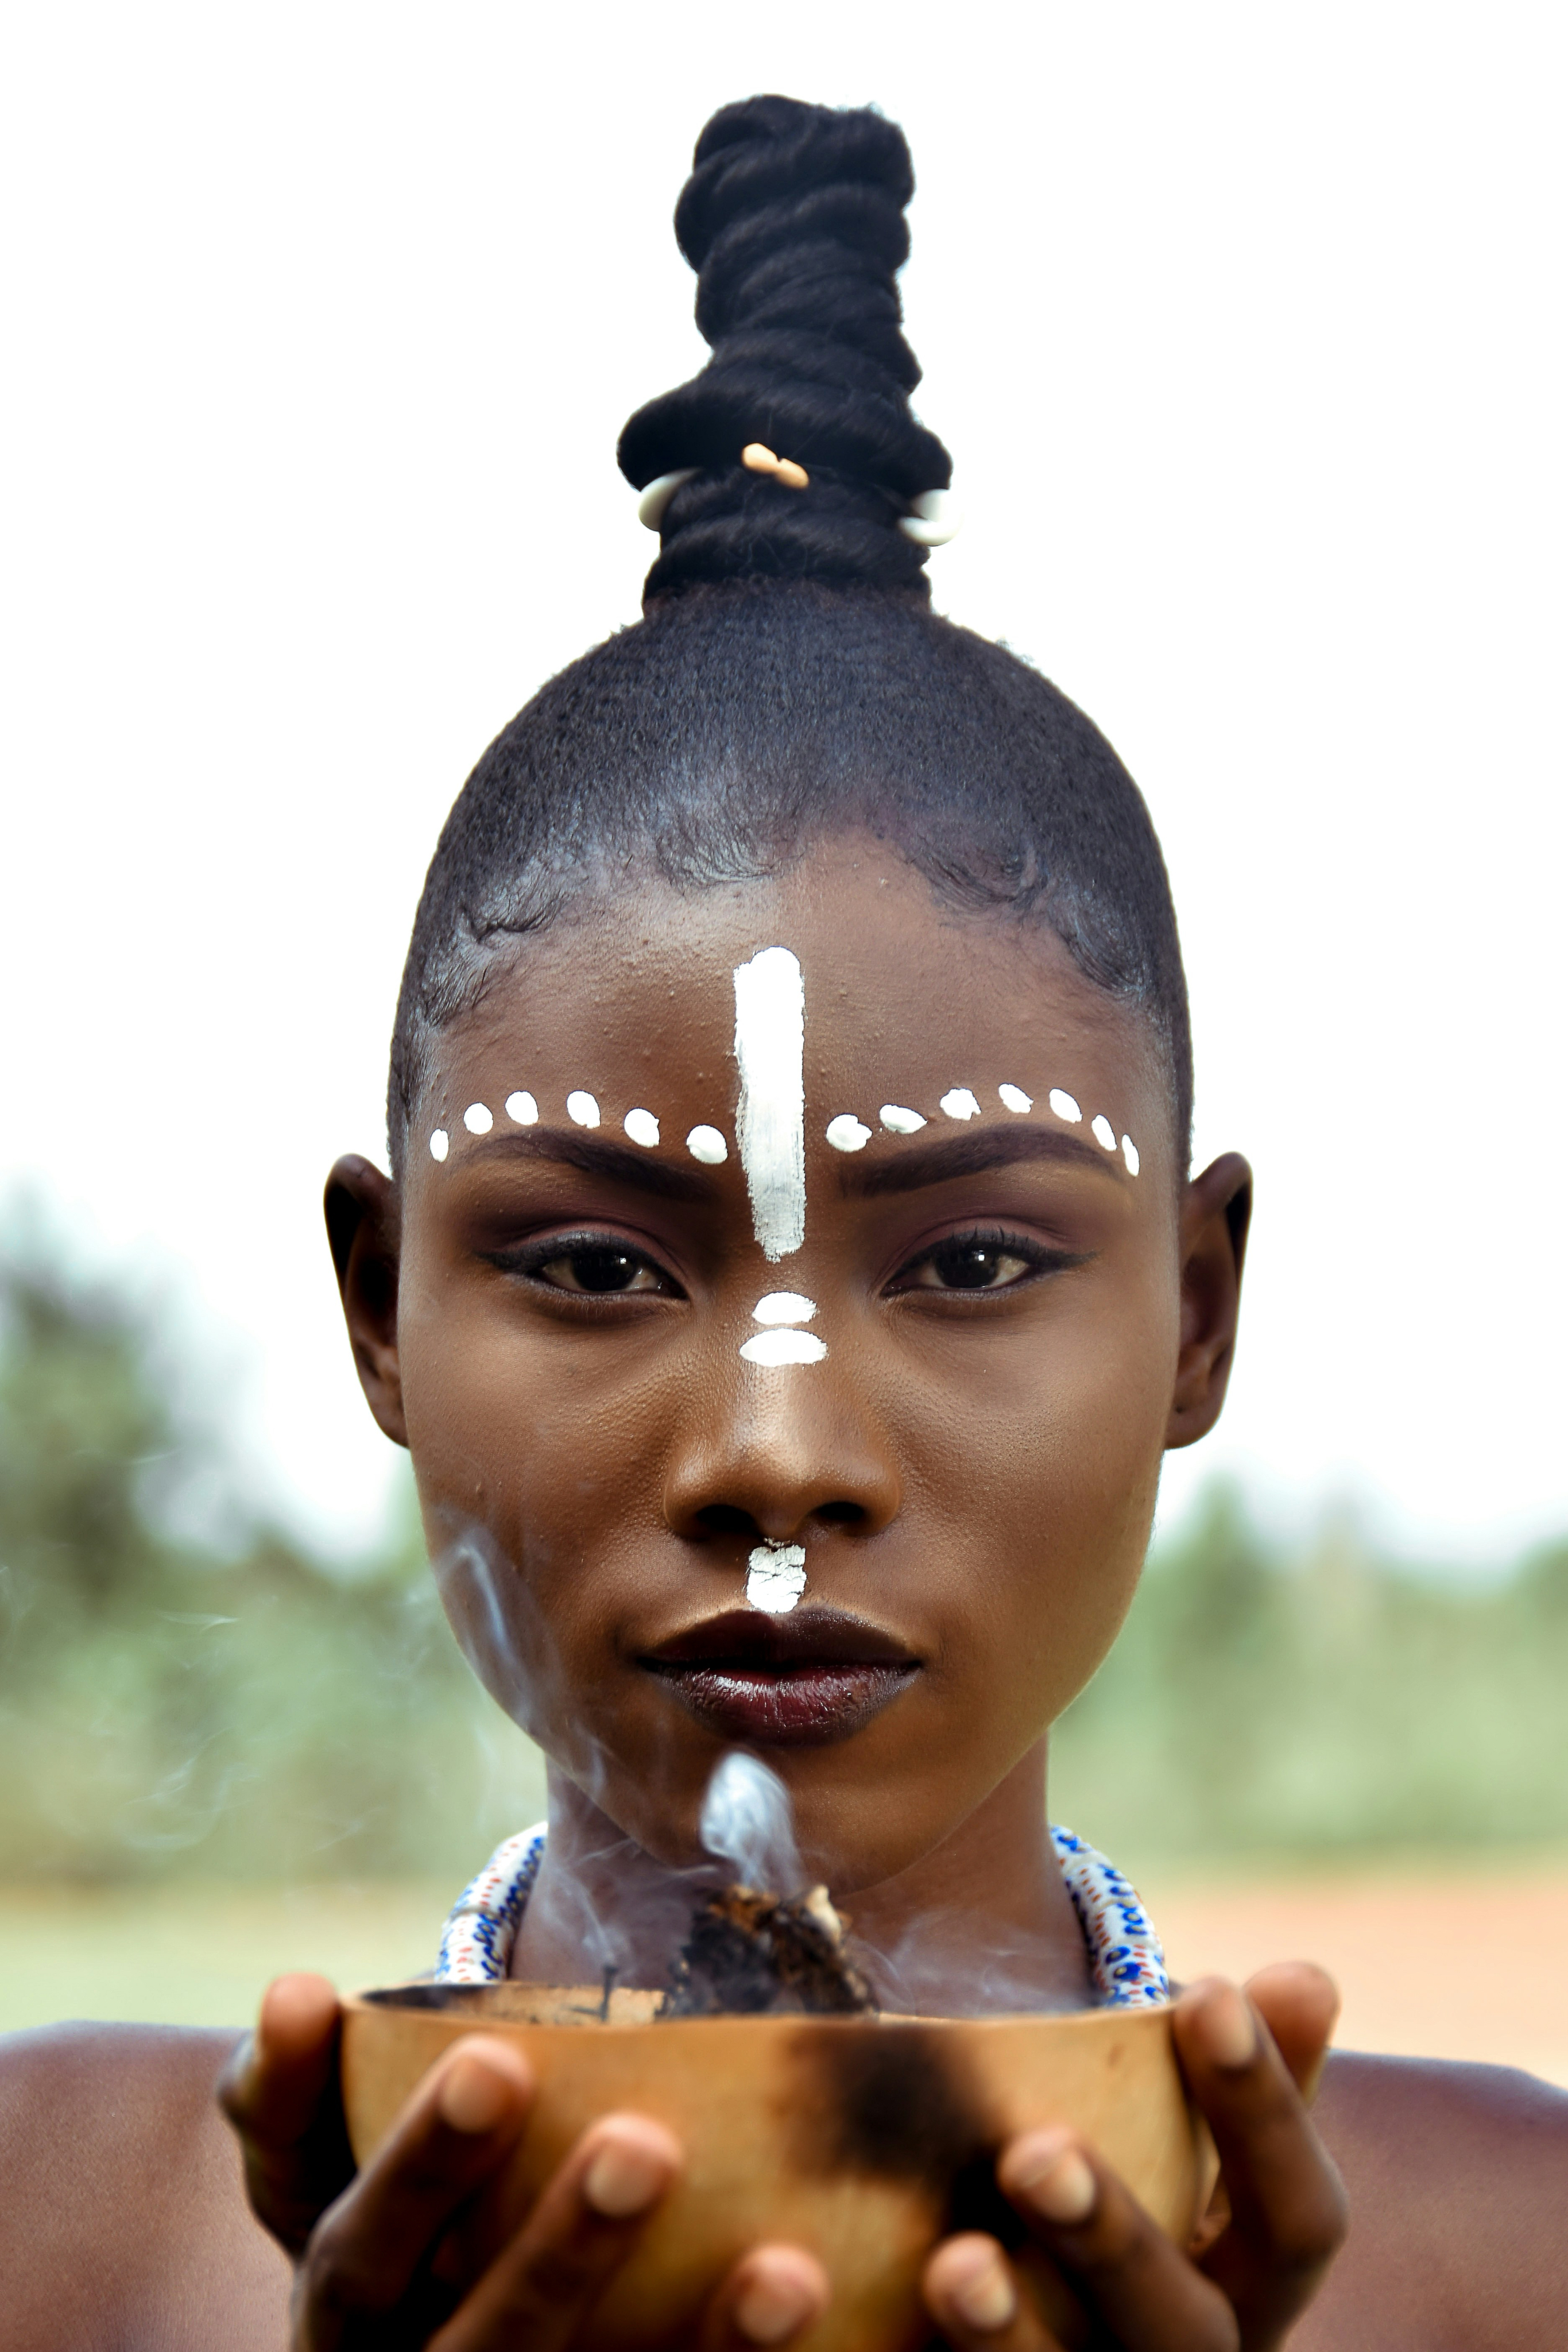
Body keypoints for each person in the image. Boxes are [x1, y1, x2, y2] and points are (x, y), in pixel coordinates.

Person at [2, 93, 1564, 2352]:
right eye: (594, 1264)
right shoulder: (67, 2237)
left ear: (1195, 1315)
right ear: (376, 1307)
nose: (773, 1447)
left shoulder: (1504, 2260)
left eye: (968, 1260)